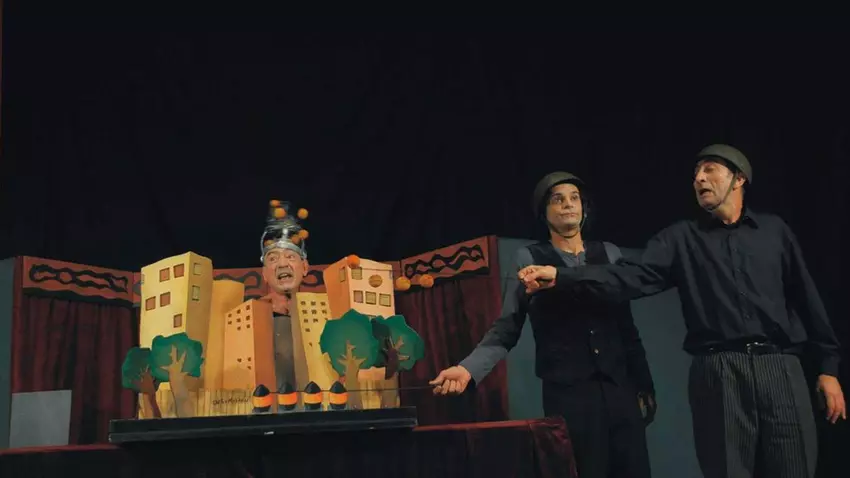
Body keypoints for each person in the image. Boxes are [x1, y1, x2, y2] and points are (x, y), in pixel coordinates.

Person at [519, 144, 846, 478]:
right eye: (695, 174)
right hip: (720, 371)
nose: (699, 179)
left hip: (780, 367)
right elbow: (629, 277)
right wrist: (563, 275)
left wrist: (828, 368)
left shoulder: (775, 232)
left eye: (709, 169)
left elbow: (806, 298)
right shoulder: (681, 238)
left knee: (794, 467)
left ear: (739, 179)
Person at [430, 172, 657, 478]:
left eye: (574, 198)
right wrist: (468, 369)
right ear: (544, 212)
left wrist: (644, 383)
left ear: (585, 208)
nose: (568, 205)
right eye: (557, 199)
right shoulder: (530, 258)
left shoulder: (609, 253)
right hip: (570, 394)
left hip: (620, 388)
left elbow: (626, 327)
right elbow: (506, 328)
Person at [259, 200, 310, 392]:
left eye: (290, 257)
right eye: (273, 258)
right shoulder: (254, 316)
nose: (282, 264)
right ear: (264, 273)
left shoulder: (323, 313)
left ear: (304, 267)